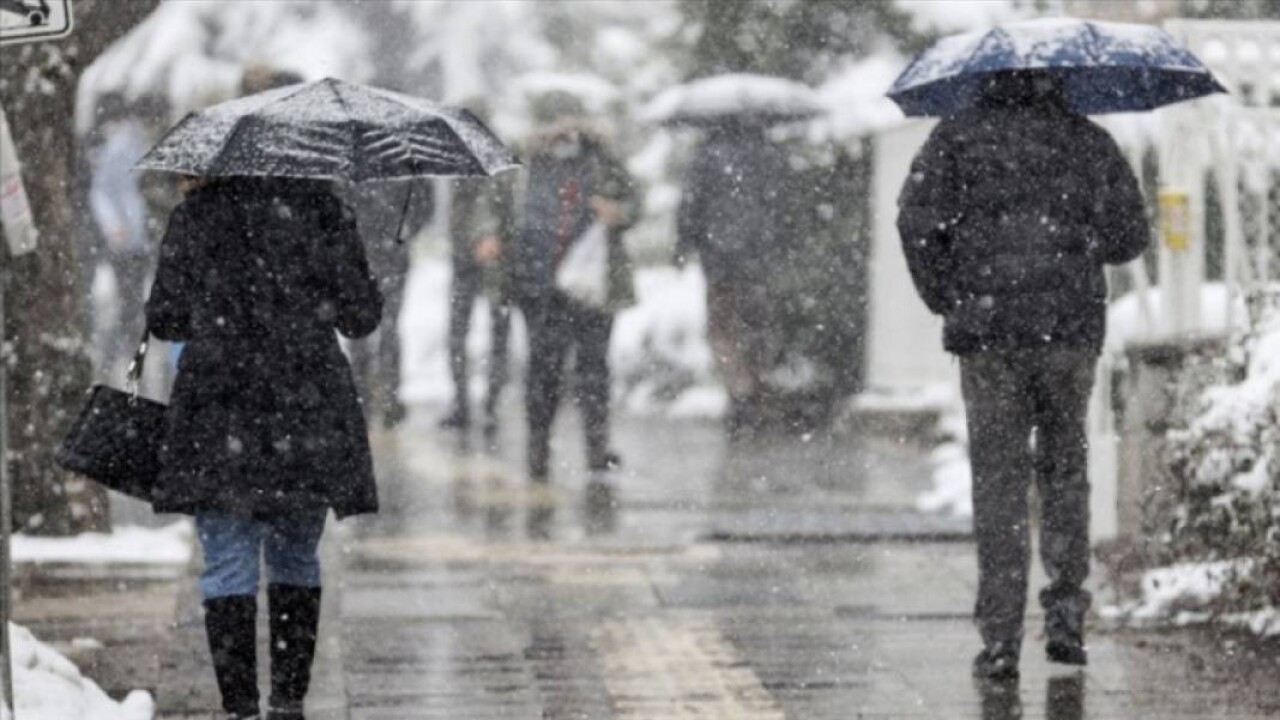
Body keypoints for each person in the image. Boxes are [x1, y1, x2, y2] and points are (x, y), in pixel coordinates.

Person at [896, 70, 1149, 681]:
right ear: (1059, 80)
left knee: (999, 482)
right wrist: (1078, 243)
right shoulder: (1088, 139)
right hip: (1067, 331)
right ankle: (1066, 616)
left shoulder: (953, 139)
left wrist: (950, 296)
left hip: (988, 335)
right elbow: (1129, 238)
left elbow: (915, 225)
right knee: (1066, 469)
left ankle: (1002, 638)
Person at [146, 176, 382, 720]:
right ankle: (289, 701)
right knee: (296, 557)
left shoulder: (198, 213)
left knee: (227, 562)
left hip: (219, 406)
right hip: (306, 408)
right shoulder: (324, 209)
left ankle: (240, 707)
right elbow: (361, 317)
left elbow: (165, 318)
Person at [510, 91, 639, 481]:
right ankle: (537, 447)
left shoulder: (602, 160)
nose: (564, 134)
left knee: (593, 369)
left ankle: (596, 449)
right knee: (543, 370)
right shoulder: (525, 165)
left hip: (592, 285)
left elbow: (635, 201)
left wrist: (618, 212)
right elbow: (498, 208)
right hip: (540, 284)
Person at [675, 120, 789, 433]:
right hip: (758, 257)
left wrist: (684, 243)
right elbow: (781, 203)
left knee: (723, 327)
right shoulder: (769, 152)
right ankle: (755, 389)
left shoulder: (706, 154)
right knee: (757, 325)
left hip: (719, 257)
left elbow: (690, 203)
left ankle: (738, 391)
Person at [439, 168, 517, 435]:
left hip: (495, 258)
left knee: (495, 332)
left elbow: (501, 207)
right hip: (465, 257)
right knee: (460, 332)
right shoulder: (458, 170)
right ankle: (464, 403)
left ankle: (489, 405)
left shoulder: (499, 169)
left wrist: (491, 236)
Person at [87, 92, 153, 379]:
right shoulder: (122, 146)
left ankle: (126, 356)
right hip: (126, 238)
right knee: (130, 300)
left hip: (140, 237)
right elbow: (101, 189)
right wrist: (113, 224)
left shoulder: (144, 143)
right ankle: (118, 360)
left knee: (136, 299)